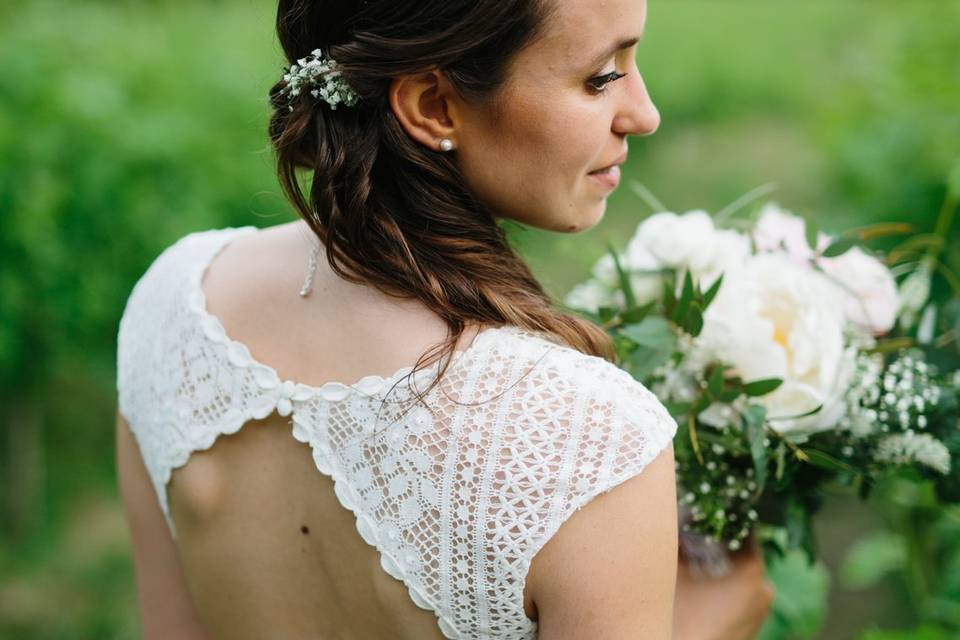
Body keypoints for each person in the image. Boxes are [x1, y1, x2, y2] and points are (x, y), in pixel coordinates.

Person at [115, 0, 775, 637]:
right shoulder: (590, 443)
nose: (644, 113)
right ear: (434, 107)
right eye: (600, 78)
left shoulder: (172, 305)